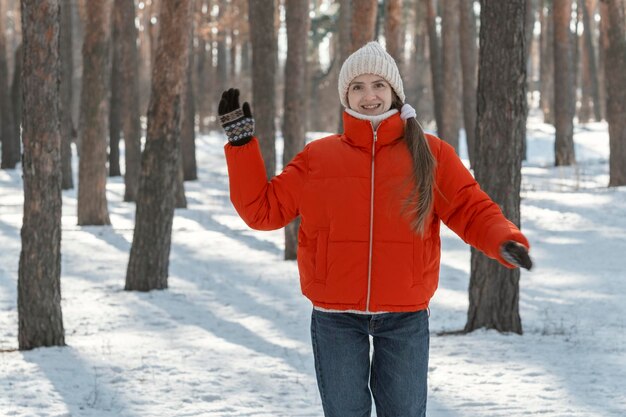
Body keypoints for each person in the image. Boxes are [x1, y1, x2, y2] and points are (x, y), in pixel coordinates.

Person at [218, 41, 532, 417]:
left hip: (405, 314)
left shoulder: (430, 153)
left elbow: (471, 208)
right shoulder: (318, 157)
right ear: (345, 96)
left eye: (378, 85)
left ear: (395, 92)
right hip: (336, 315)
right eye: (358, 86)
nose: (369, 96)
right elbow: (262, 211)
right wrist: (241, 147)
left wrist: (504, 239)